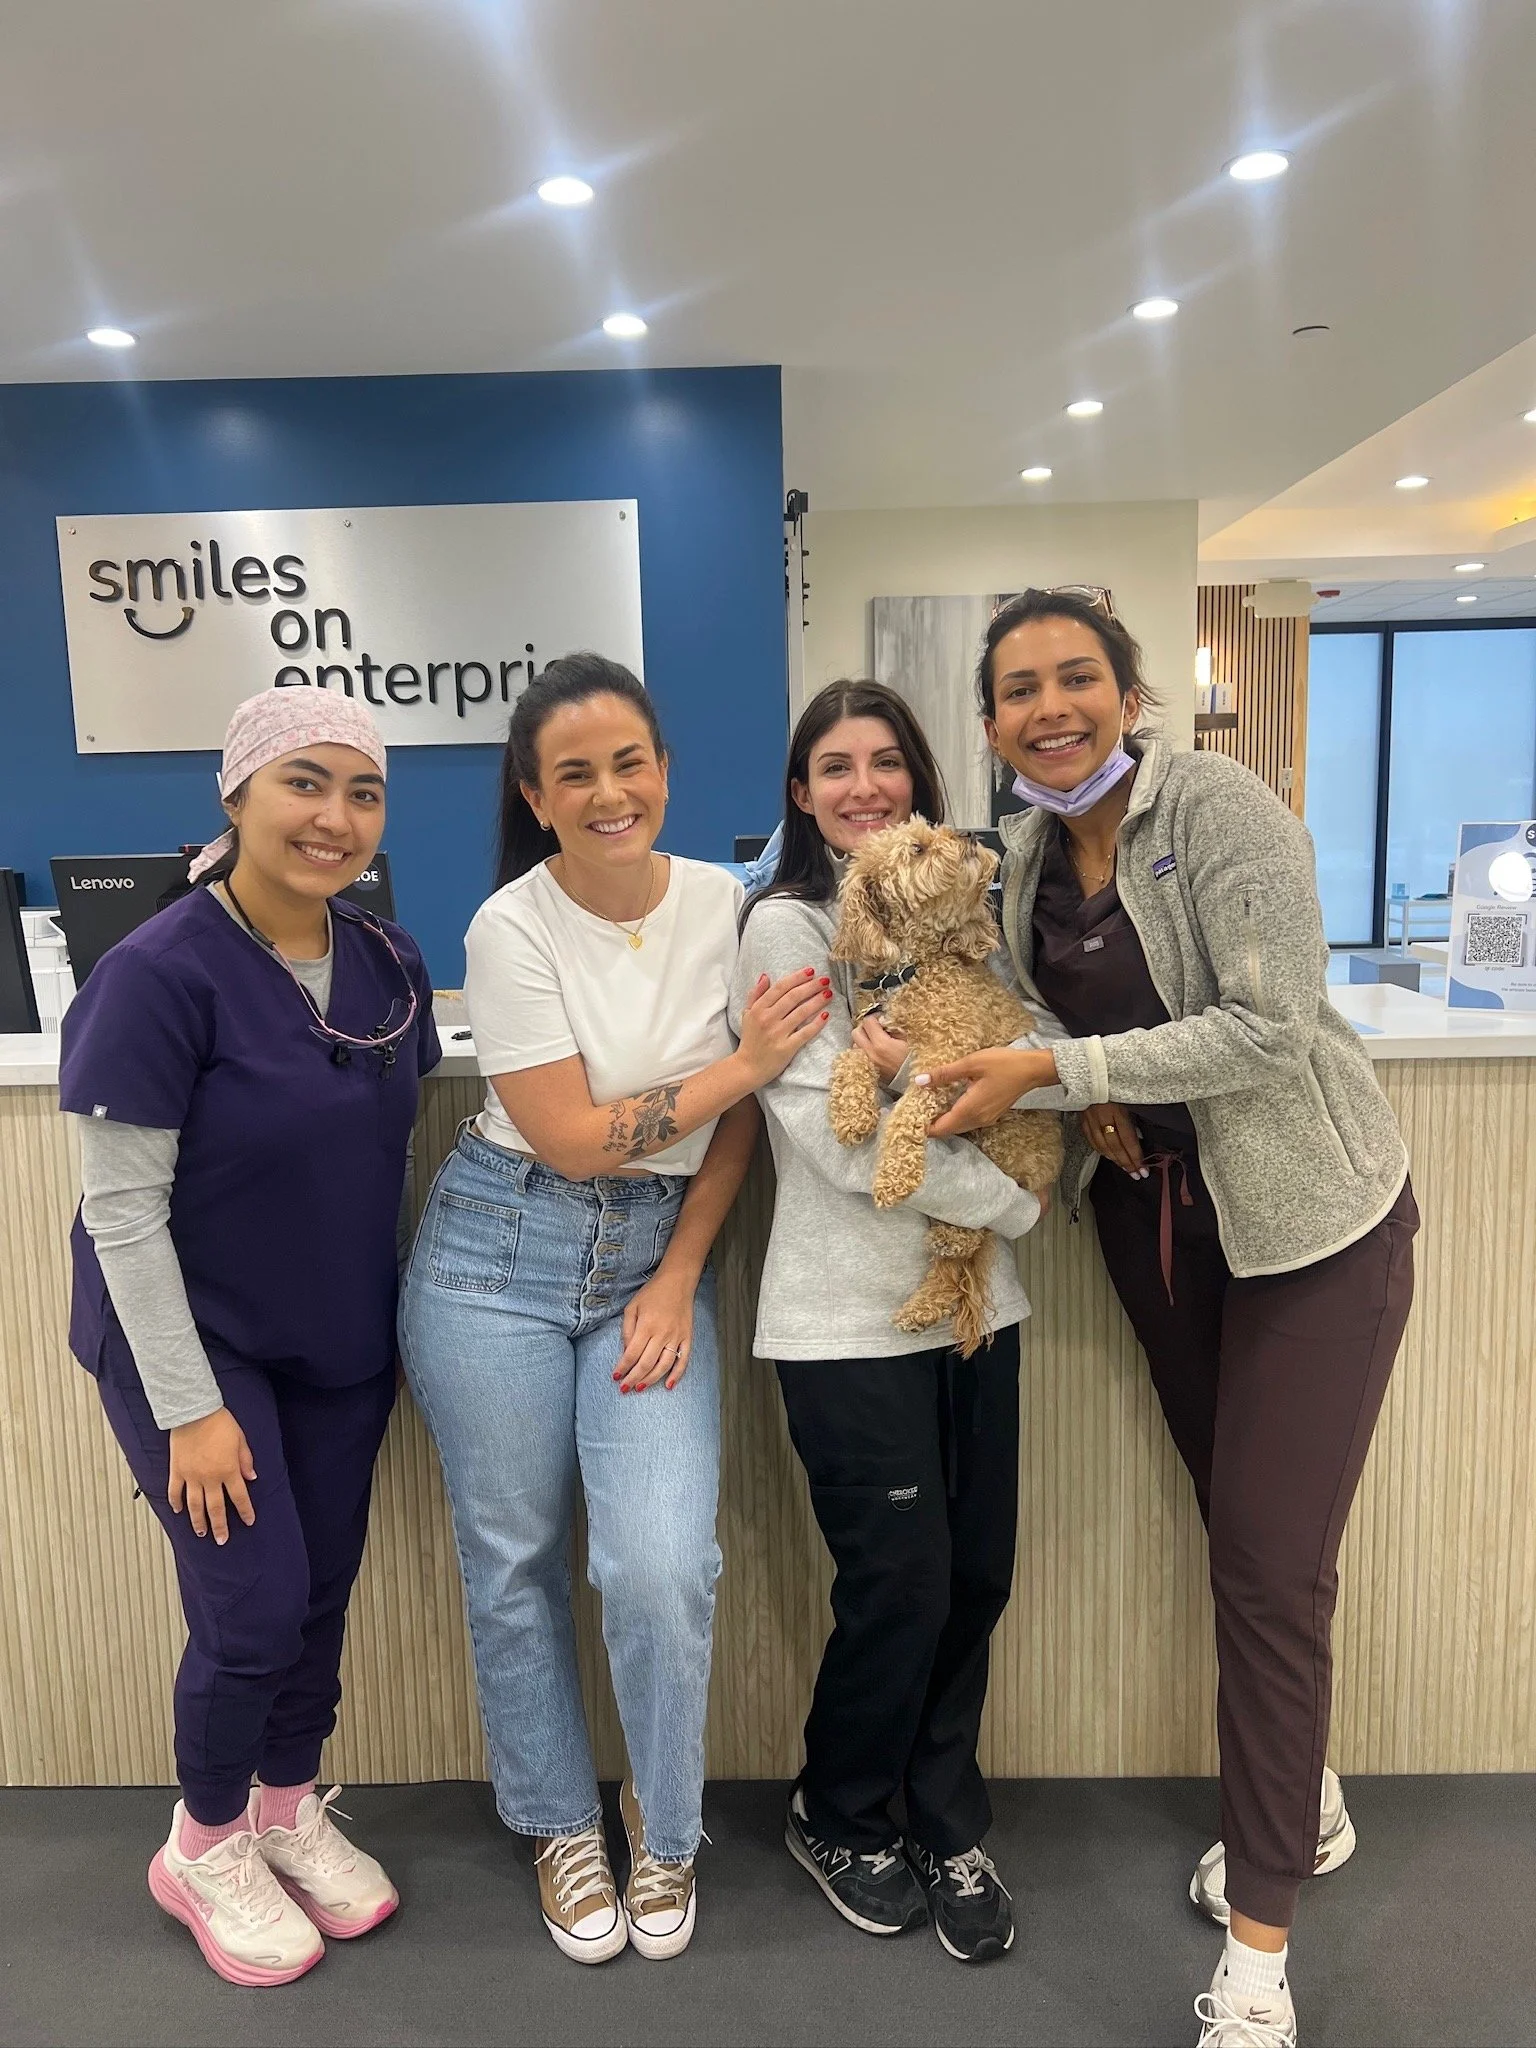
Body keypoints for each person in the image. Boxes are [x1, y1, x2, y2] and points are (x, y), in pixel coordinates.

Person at [920, 588, 1417, 2046]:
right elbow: (1042, 1010)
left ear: (1131, 694)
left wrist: (1060, 1081)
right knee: (1239, 1523)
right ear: (993, 719)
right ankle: (1305, 1794)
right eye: (1020, 690)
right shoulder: (1018, 852)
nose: (1051, 707)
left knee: (1270, 1575)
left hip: (1313, 1227)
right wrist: (1081, 1084)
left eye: (1078, 678)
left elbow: (1270, 1022)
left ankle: (1260, 1962)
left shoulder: (1222, 810)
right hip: (1160, 1228)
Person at [399, 653, 828, 1966]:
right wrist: (742, 1063)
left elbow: (743, 1125)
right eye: (572, 773)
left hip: (659, 1259)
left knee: (656, 1563)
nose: (606, 792)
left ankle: (665, 1817)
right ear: (534, 795)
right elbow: (580, 1139)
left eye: (627, 763)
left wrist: (684, 1270)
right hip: (496, 1257)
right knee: (514, 1556)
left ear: (665, 771)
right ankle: (554, 1819)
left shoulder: (731, 906)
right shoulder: (509, 927)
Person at [59, 688, 440, 1988]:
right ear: (237, 797)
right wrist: (188, 1408)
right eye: (304, 783)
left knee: (320, 1590)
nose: (336, 817)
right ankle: (205, 1840)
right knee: (254, 1603)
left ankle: (287, 1805)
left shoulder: (388, 965)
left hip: (335, 1329)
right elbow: (120, 1212)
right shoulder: (156, 973)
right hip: (193, 1343)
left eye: (363, 791)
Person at [731, 680, 1053, 1966]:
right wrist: (1021, 1198)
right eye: (834, 766)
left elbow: (1033, 1043)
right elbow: (833, 1135)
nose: (864, 785)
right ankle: (842, 1806)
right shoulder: (786, 932)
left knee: (978, 1572)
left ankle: (941, 1815)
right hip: (847, 1321)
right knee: (900, 1584)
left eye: (886, 763)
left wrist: (1015, 1117)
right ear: (802, 792)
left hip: (979, 1307)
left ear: (919, 780)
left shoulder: (969, 915)